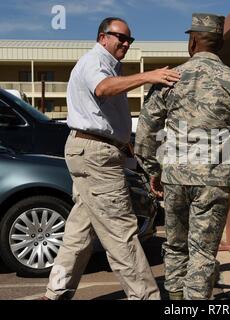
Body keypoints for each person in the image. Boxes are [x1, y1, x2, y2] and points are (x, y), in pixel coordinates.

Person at [135, 13, 230, 300]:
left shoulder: (170, 79)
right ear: (220, 43)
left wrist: (153, 171)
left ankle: (176, 298)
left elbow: (145, 133)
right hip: (212, 180)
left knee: (176, 246)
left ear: (192, 42)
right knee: (202, 251)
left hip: (175, 178)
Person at [40, 17, 180, 300]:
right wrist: (148, 76)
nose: (126, 44)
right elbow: (103, 88)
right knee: (121, 231)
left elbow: (105, 114)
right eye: (121, 38)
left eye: (130, 40)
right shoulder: (95, 61)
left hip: (94, 150)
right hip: (96, 155)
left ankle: (55, 293)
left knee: (80, 232)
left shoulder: (108, 65)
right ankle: (146, 297)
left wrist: (126, 147)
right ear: (103, 37)